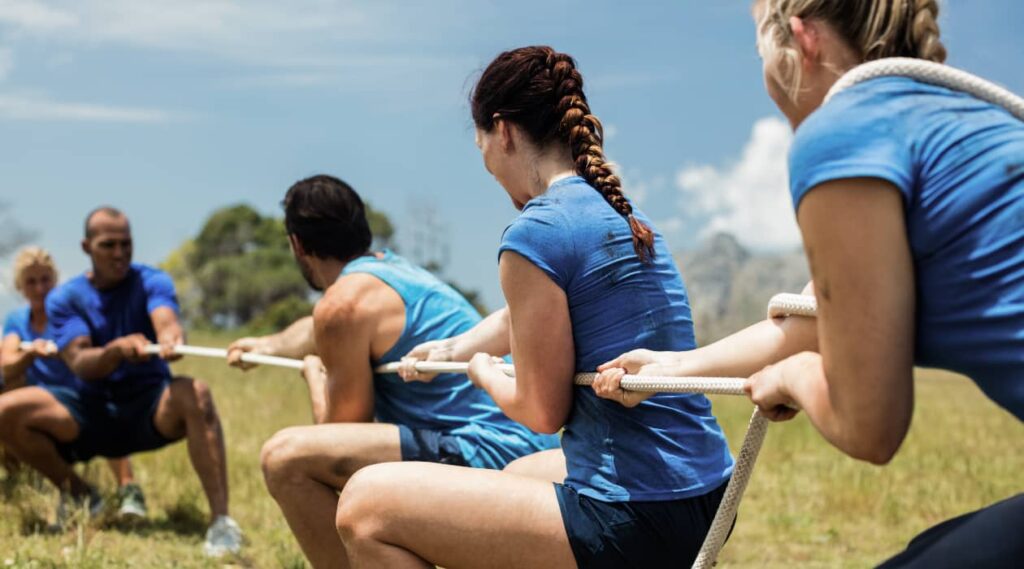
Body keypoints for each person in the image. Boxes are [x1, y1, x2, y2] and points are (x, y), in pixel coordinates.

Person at [598, 1, 1024, 566]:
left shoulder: (842, 133)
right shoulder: (950, 118)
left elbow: (870, 427)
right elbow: (812, 321)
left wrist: (795, 379)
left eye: (761, 53)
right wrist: (669, 369)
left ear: (800, 40)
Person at [331, 46, 735, 569]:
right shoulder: (626, 217)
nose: (490, 172)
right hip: (704, 496)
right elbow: (531, 315)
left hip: (636, 512)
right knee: (516, 475)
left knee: (364, 506)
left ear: (502, 132)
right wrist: (458, 346)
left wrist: (482, 373)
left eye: (482, 149)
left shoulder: (535, 232)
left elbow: (542, 411)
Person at [248, 174, 559, 569]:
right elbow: (314, 328)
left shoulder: (341, 306)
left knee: (285, 459)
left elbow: (340, 431)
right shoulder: (390, 273)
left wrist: (315, 376)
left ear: (297, 244)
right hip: (533, 442)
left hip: (488, 448)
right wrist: (265, 346)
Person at [0, 208, 242, 556]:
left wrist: (171, 335)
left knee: (197, 393)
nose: (119, 253)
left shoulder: (152, 280)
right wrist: (115, 351)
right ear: (87, 247)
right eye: (108, 245)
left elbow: (166, 318)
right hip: (87, 411)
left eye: (126, 244)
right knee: (5, 410)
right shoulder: (65, 298)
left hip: (149, 407)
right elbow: (81, 362)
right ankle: (82, 494)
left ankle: (221, 523)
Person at [0, 246, 146, 519]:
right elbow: (6, 364)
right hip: (41, 404)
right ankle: (62, 488)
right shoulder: (17, 321)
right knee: (7, 397)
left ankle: (128, 488)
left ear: (55, 280)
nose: (40, 288)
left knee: (102, 407)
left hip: (80, 398)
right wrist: (29, 355)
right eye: (31, 281)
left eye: (45, 280)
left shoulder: (68, 313)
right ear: (21, 286)